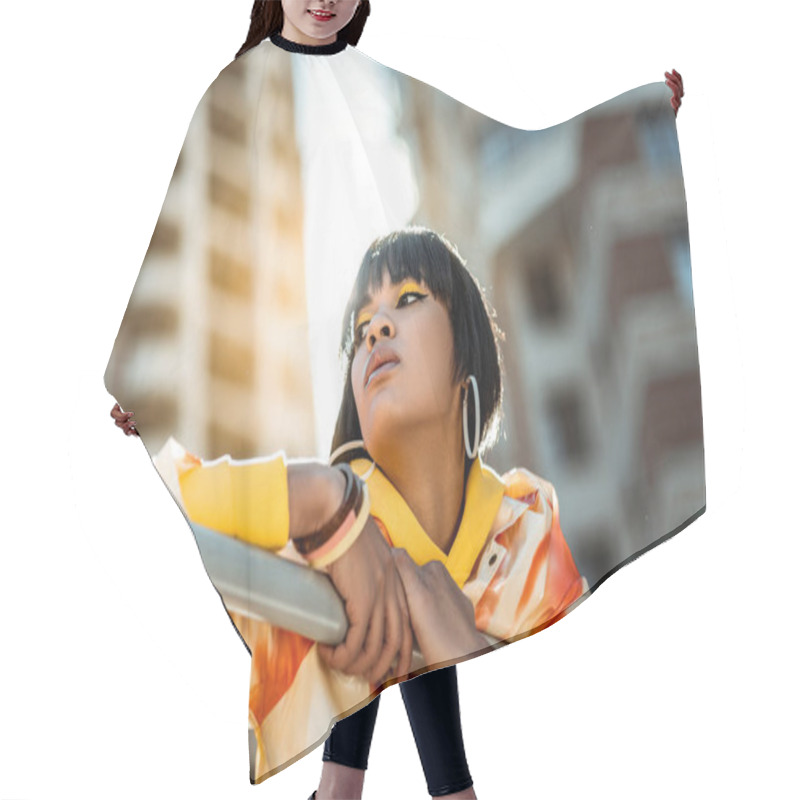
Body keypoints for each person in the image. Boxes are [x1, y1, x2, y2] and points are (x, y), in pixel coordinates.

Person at [109, 4, 686, 798]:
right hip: (288, 395)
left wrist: (639, 115)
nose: (376, 328)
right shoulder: (235, 88)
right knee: (383, 561)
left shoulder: (526, 525)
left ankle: (351, 789)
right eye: (365, 322)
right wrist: (149, 386)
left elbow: (512, 139)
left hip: (377, 468)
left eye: (406, 302)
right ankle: (411, 790)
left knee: (403, 571)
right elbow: (183, 243)